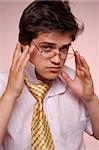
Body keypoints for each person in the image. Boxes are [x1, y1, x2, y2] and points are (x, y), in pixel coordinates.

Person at [0, 0, 99, 150]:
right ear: (24, 43)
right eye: (47, 47)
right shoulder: (2, 86)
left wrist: (91, 98)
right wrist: (9, 96)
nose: (57, 59)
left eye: (64, 49)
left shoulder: (75, 81)